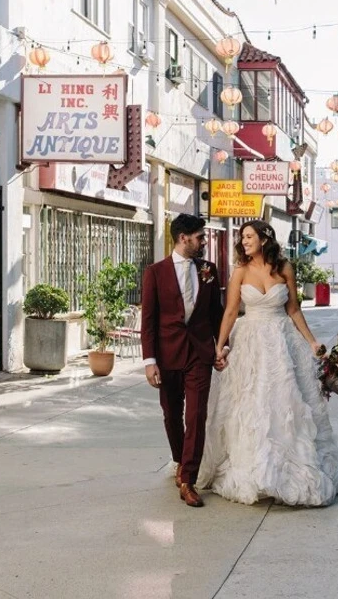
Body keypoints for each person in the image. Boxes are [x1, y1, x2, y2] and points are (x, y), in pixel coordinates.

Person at [198, 220, 338, 506]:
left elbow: (293, 309)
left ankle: (288, 464)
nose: (244, 242)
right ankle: (254, 466)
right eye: (242, 238)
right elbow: (230, 311)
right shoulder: (240, 271)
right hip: (250, 340)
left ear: (265, 239)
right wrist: (220, 345)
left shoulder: (285, 269)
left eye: (249, 236)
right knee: (250, 402)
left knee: (286, 402)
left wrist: (312, 342)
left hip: (282, 340)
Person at [141, 214, 225, 508]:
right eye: (200, 237)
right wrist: (150, 361)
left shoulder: (209, 270)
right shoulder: (155, 272)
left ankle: (189, 479)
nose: (204, 241)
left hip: (199, 354)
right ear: (183, 238)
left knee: (196, 416)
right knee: (171, 415)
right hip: (167, 356)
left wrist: (221, 347)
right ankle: (180, 460)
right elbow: (148, 320)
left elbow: (217, 314)